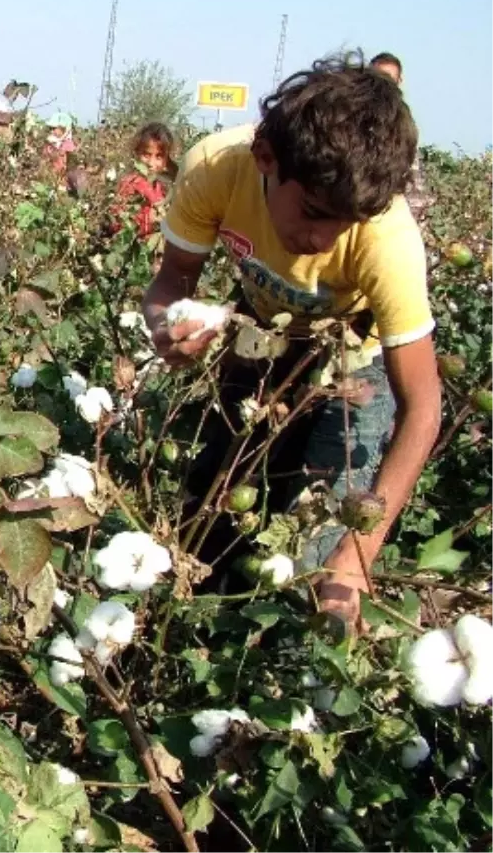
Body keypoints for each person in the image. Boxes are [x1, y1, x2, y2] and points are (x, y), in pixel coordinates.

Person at [142, 54, 441, 629]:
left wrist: (355, 560)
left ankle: (282, 685)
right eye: (311, 212)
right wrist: (164, 325)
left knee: (317, 555)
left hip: (356, 364)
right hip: (258, 338)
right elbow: (173, 279)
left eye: (343, 224)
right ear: (266, 158)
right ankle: (191, 648)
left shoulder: (388, 239)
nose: (321, 239)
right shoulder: (216, 169)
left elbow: (424, 408)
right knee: (214, 510)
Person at [369, 52, 432, 222]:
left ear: (399, 82)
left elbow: (413, 176)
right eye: (378, 78)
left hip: (398, 210)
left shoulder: (402, 121)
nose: (383, 85)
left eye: (389, 79)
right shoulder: (356, 117)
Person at [112, 122, 177, 237]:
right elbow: (117, 223)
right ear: (136, 153)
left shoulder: (159, 187)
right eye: (146, 155)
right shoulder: (129, 184)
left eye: (159, 156)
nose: (151, 163)